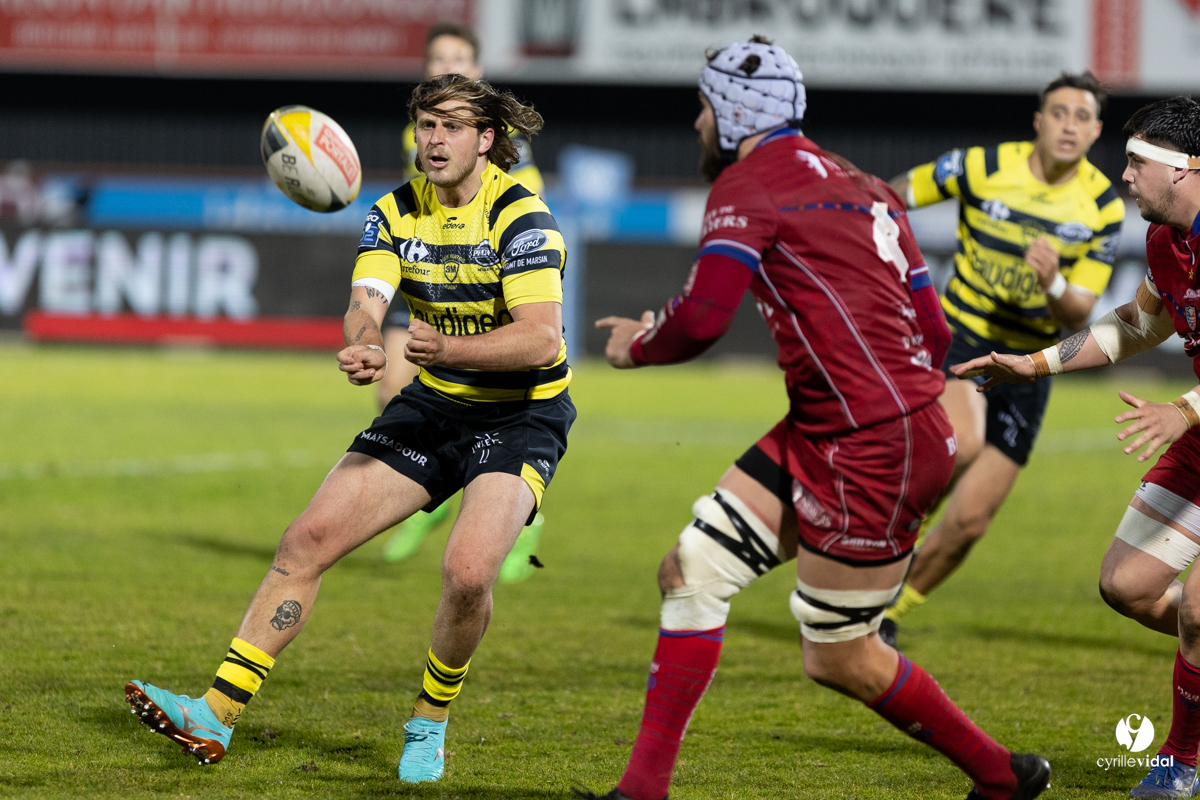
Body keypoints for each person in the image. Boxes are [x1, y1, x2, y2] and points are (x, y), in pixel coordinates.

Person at [576, 37, 1050, 800]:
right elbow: (930, 331)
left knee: (840, 655)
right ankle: (641, 792)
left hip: (872, 446)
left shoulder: (746, 185)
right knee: (691, 571)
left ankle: (1002, 777)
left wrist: (636, 349)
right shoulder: (868, 186)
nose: (697, 122)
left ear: (732, 112)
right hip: (838, 427)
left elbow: (700, 320)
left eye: (704, 105)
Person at [124, 73, 574, 785]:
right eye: (426, 125)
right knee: (306, 540)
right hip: (434, 407)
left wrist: (449, 348)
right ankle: (214, 712)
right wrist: (366, 340)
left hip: (520, 415)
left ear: (487, 139)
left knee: (466, 574)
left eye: (452, 126)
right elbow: (367, 300)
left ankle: (428, 724)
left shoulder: (523, 219)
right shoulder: (393, 211)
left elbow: (541, 339)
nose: (434, 140)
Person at [955, 96, 1200, 800]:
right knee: (1126, 586)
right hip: (1198, 436)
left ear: (1182, 171)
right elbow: (1138, 325)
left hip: (1193, 421)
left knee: (1199, 611)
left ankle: (1178, 765)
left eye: (1136, 162)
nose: (1123, 176)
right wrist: (1032, 364)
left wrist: (1182, 409)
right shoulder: (1164, 243)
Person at [880, 72, 1126, 646]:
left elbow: (1078, 312)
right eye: (1058, 113)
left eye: (1081, 117)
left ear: (1095, 131)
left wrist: (1053, 282)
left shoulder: (1102, 207)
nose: (1069, 125)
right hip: (959, 336)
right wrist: (884, 259)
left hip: (1030, 362)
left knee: (970, 522)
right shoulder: (981, 166)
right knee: (961, 443)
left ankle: (884, 616)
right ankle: (873, 546)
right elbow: (892, 196)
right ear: (1038, 121)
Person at [380, 20, 547, 569]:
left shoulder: (495, 137)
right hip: (429, 266)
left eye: (458, 58)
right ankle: (426, 501)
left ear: (477, 71)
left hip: (486, 274)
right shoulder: (418, 134)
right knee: (390, 389)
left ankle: (521, 516)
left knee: (500, 403)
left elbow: (519, 204)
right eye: (437, 59)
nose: (446, 65)